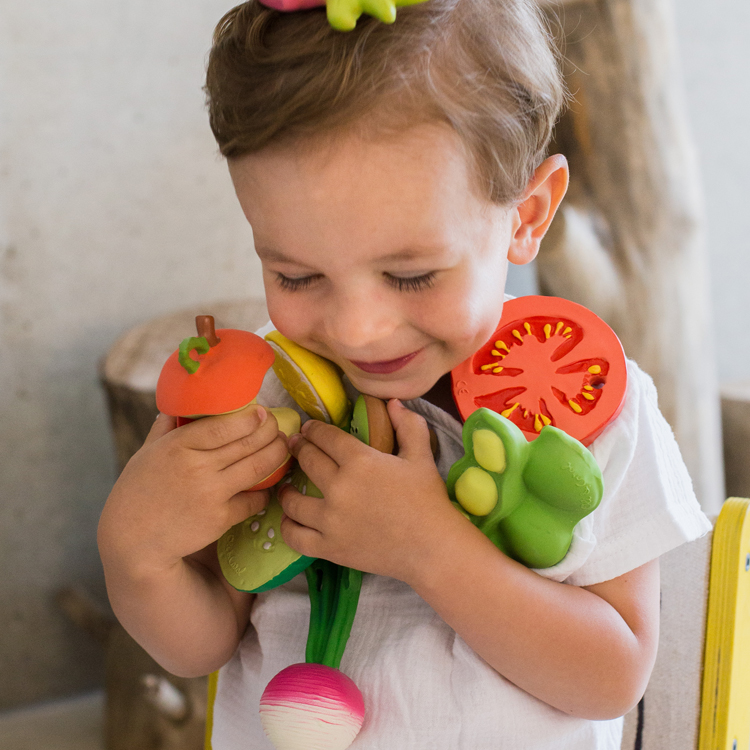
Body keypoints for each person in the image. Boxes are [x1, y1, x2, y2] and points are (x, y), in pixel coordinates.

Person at [97, 0, 711, 747]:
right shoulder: (266, 396)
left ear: (527, 214)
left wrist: (428, 549)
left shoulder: (590, 406)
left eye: (413, 275)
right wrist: (137, 552)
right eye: (295, 275)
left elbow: (611, 677)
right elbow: (200, 645)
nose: (357, 328)